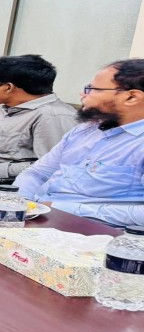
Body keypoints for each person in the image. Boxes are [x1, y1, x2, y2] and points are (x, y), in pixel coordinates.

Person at [14, 59, 144, 228]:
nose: (82, 94)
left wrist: (65, 209)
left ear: (131, 97)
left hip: (92, 232)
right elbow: (36, 173)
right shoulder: (85, 130)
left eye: (92, 89)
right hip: (39, 218)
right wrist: (21, 203)